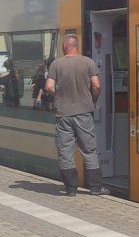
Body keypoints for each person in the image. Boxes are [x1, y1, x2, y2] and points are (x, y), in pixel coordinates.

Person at [45, 34, 109, 197]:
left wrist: (60, 95)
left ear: (65, 46)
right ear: (76, 46)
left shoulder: (56, 64)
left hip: (63, 114)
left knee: (65, 151)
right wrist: (93, 101)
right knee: (89, 150)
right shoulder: (88, 62)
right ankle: (95, 188)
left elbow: (49, 87)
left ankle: (70, 189)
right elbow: (96, 85)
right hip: (84, 113)